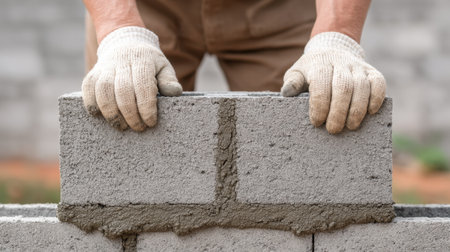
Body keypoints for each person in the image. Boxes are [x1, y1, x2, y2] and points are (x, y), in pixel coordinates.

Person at [82, 0, 385, 134]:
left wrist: (336, 35)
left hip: (278, 8)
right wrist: (119, 28)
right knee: (130, 137)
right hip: (146, 7)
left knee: (307, 143)